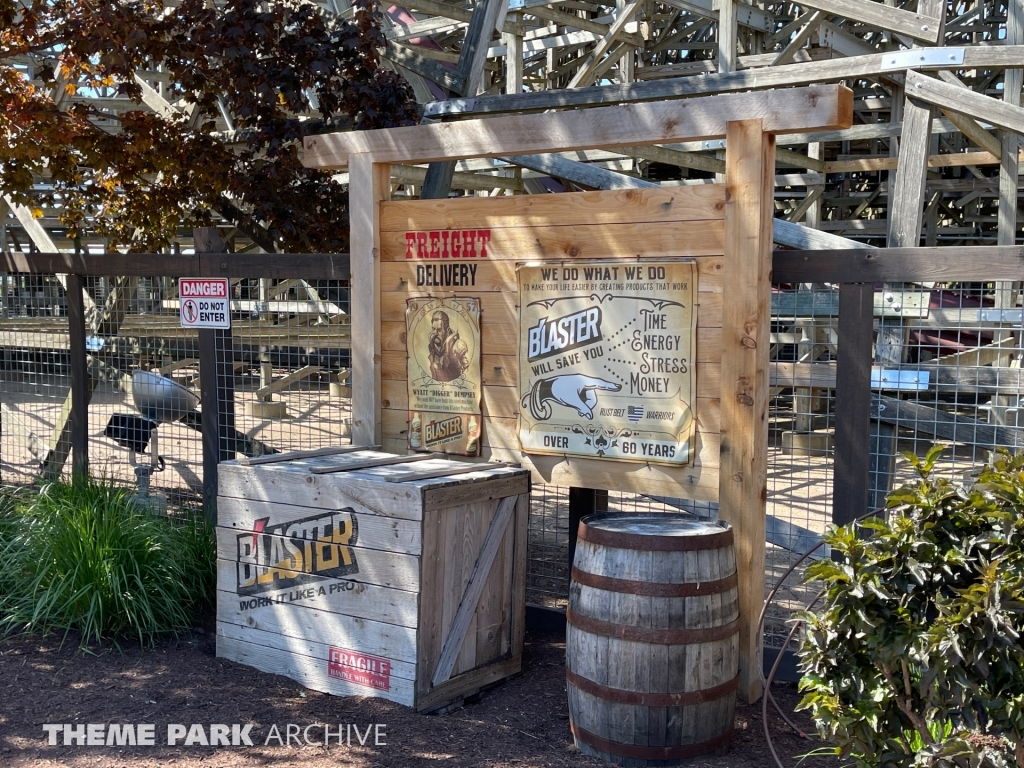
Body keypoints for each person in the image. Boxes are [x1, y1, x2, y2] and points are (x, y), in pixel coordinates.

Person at [427, 310, 470, 382]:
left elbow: (468, 371)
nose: (435, 333)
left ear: (447, 329)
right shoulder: (433, 345)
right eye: (433, 329)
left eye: (439, 330)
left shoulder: (458, 345)